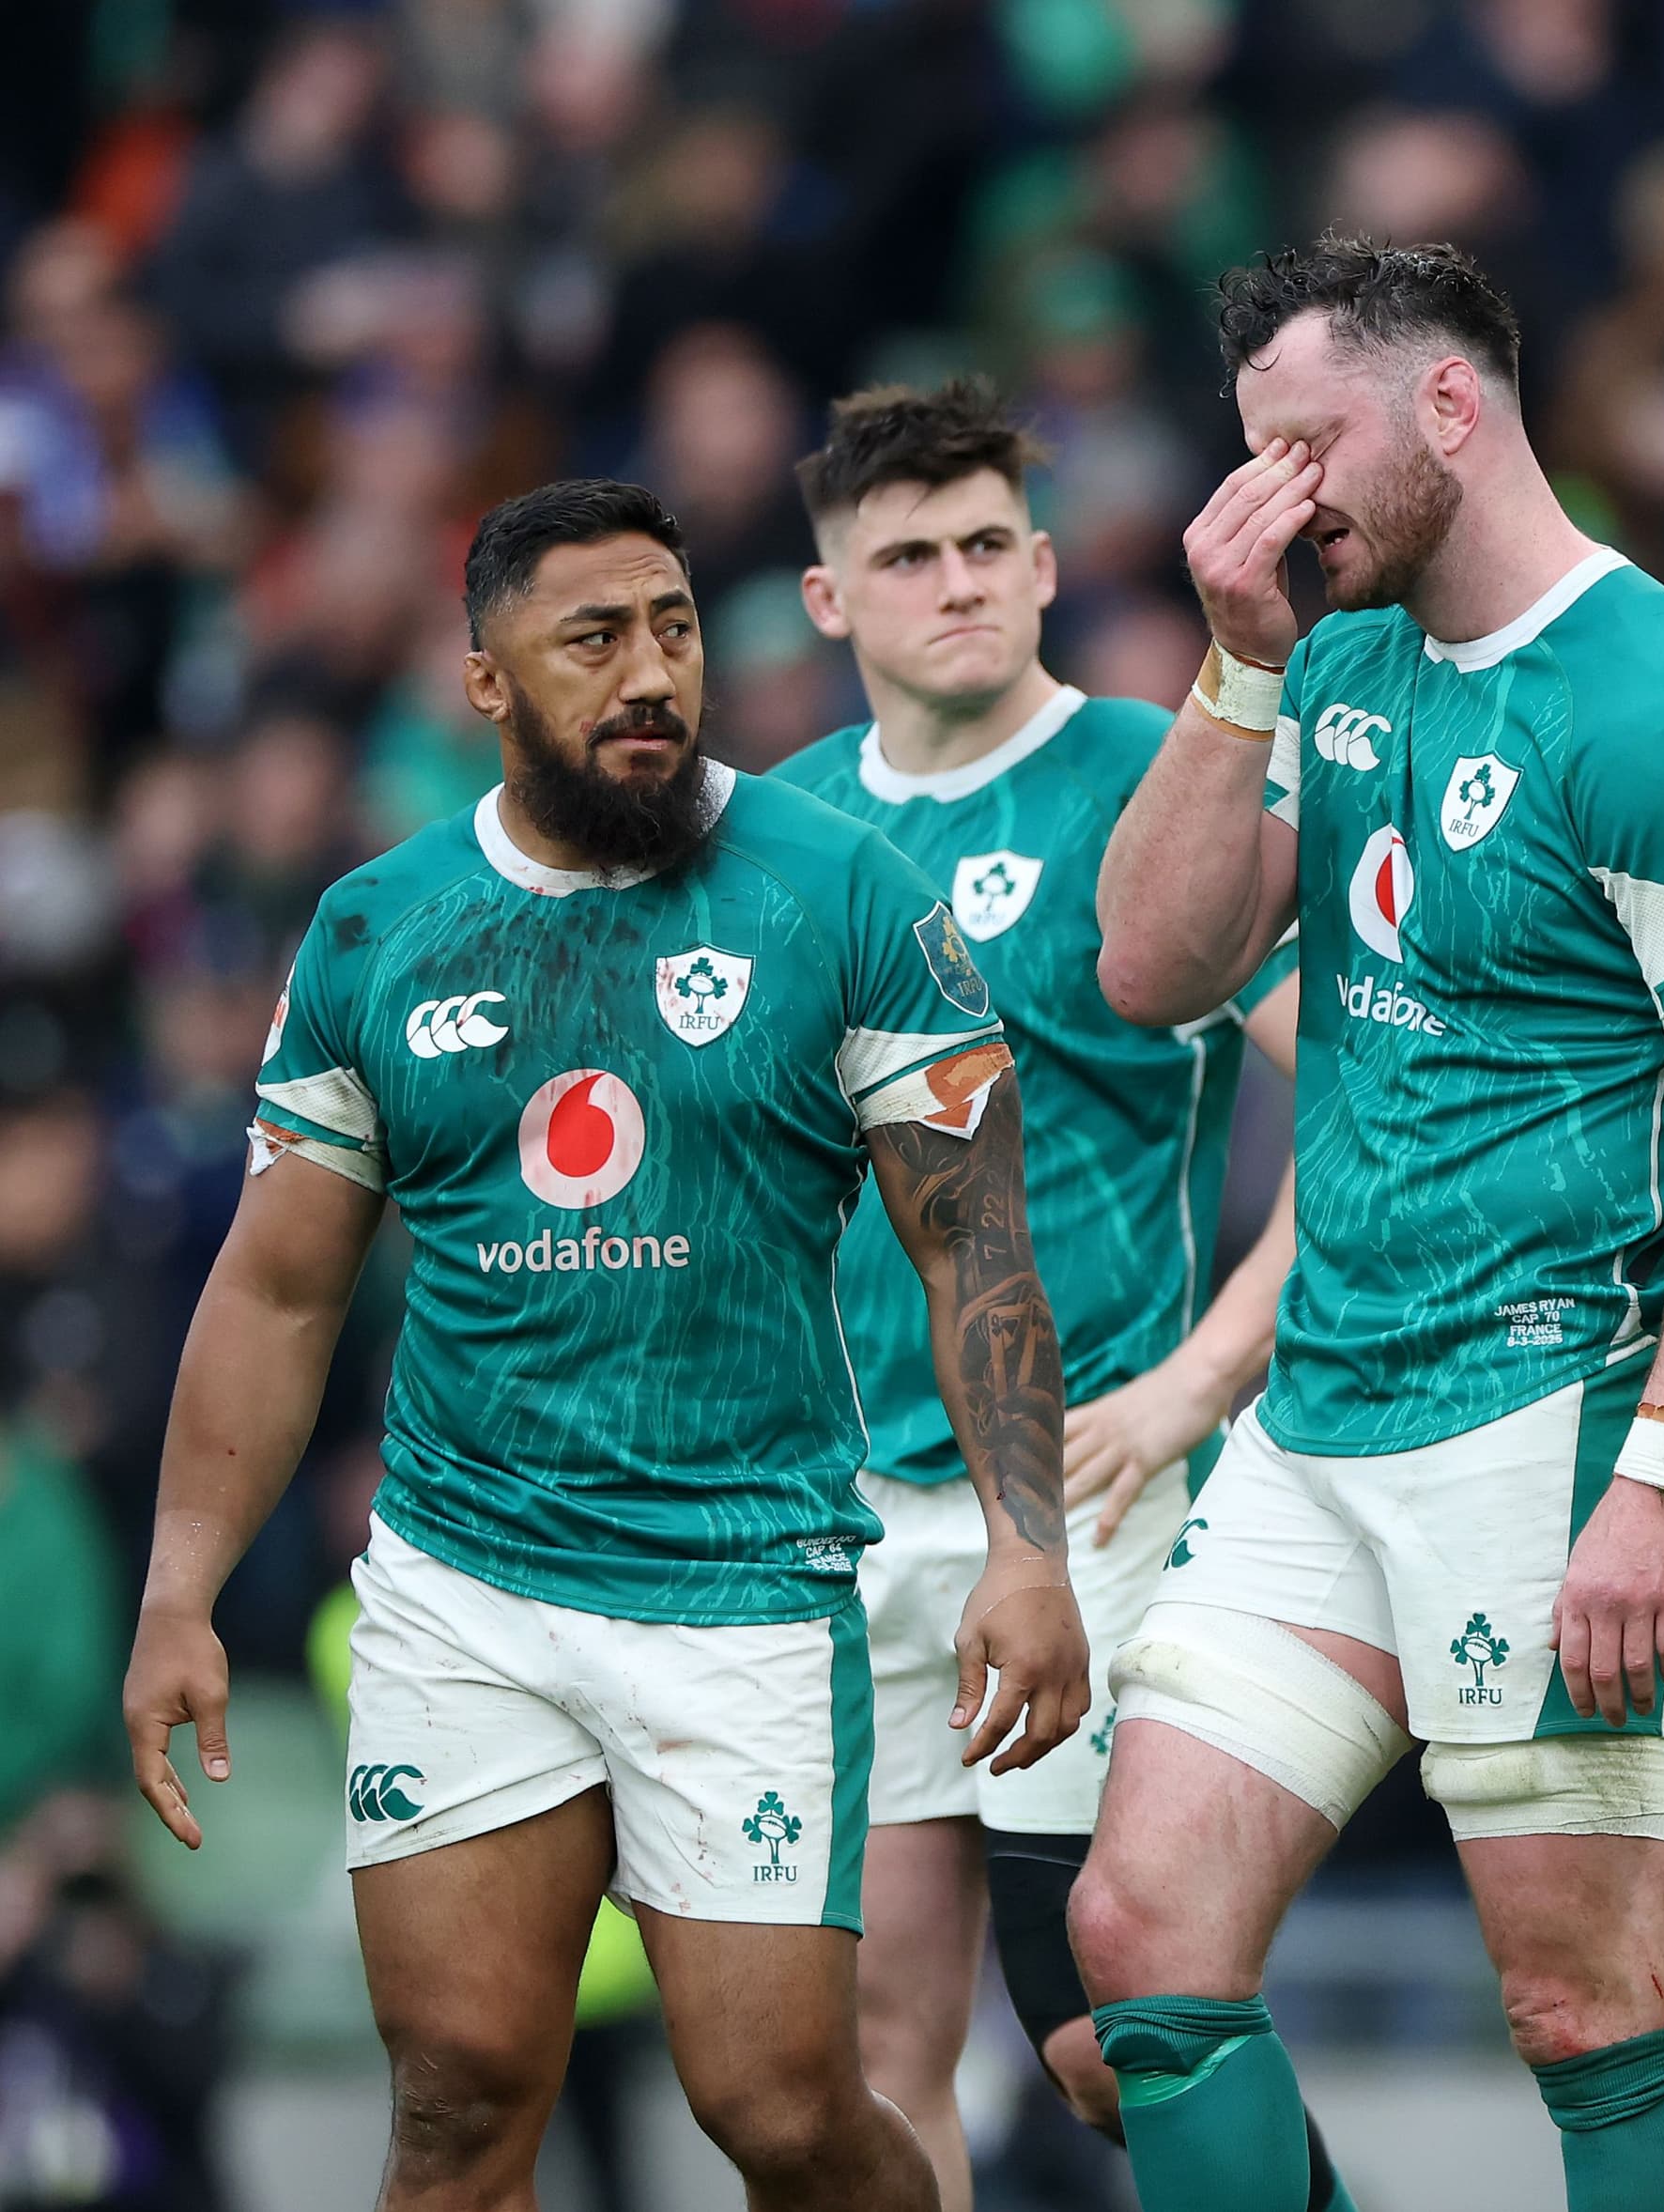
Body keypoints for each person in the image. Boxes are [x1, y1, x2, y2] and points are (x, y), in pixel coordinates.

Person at [118, 478, 1095, 2212]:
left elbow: (980, 1255)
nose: (650, 674)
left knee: (786, 2111)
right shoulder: (371, 929)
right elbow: (277, 1293)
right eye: (593, 641)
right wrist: (182, 1588)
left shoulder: (844, 895)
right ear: (487, 684)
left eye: (674, 629)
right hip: (465, 1587)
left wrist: (1030, 1546)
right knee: (458, 2103)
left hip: (743, 1588)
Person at [1080, 234, 1664, 2210]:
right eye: (1245, 454)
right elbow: (1153, 966)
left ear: (1447, 409)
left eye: (1301, 446)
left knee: (1587, 2002)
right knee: (1139, 1931)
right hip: (1327, 1407)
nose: (1272, 501)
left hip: (1551, 1413)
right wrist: (1238, 654)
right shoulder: (1326, 647)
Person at [768, 380, 1316, 2207]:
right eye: (905, 554)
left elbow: (1384, 1114)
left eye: (987, 543)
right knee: (864, 2043)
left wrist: (1199, 1382)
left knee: (1102, 2036)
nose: (956, 583)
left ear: (1047, 563)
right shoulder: (769, 838)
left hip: (1091, 1487)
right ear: (829, 598)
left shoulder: (1153, 782)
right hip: (839, 1509)